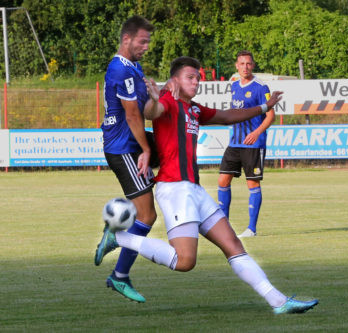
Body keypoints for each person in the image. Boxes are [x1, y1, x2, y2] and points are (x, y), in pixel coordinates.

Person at [95, 56, 318, 314]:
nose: (197, 81)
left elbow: (226, 116)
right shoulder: (167, 102)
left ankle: (279, 302)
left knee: (234, 246)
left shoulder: (194, 109)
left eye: (198, 77)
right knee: (185, 261)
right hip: (175, 189)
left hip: (195, 191)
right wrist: (156, 98)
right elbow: (151, 112)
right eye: (190, 77)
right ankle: (120, 237)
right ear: (175, 80)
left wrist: (263, 107)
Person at [98, 15, 157, 303]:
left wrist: (157, 97)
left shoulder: (134, 67)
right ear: (127, 39)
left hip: (131, 142)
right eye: (142, 41)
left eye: (148, 41)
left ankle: (115, 230)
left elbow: (144, 110)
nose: (147, 46)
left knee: (176, 154)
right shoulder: (119, 69)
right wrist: (146, 150)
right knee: (147, 215)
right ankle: (119, 272)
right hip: (124, 148)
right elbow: (132, 115)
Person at [218, 50, 275, 237]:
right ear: (236, 65)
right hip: (235, 142)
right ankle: (223, 226)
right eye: (242, 64)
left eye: (248, 63)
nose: (245, 67)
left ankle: (251, 229)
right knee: (222, 180)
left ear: (253, 65)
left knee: (252, 184)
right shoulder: (233, 85)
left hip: (253, 144)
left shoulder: (261, 87)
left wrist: (256, 132)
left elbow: (271, 116)